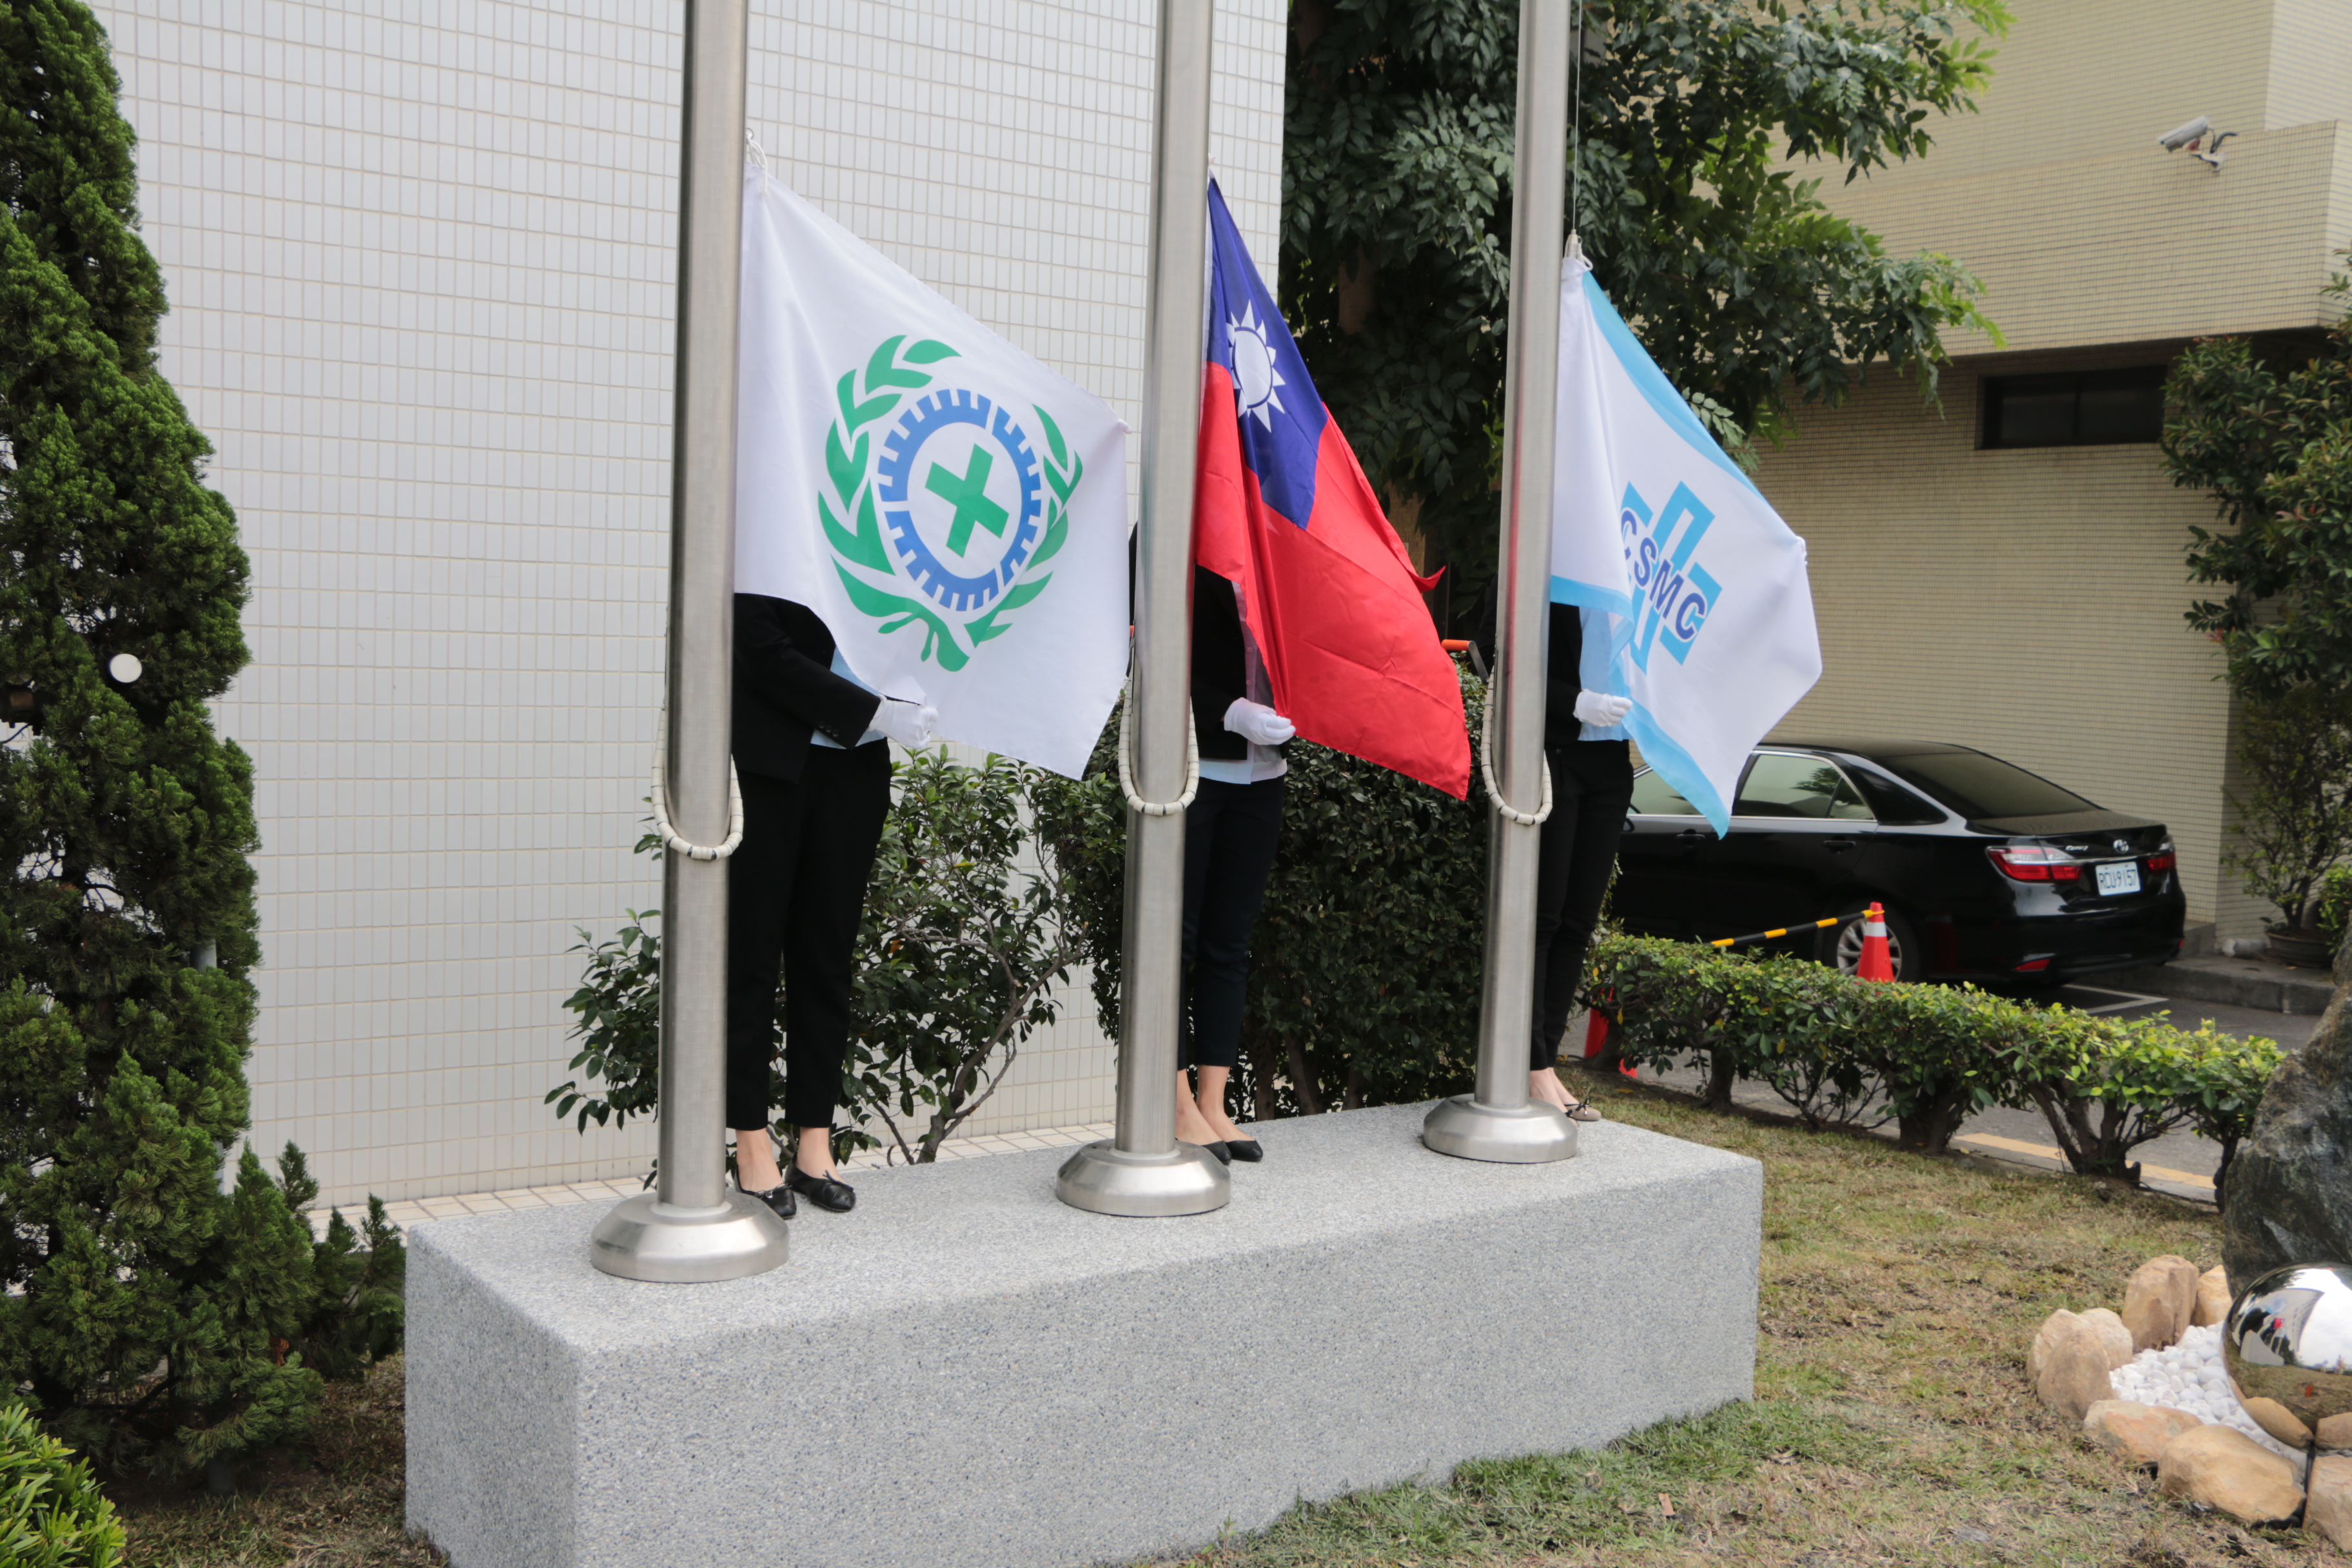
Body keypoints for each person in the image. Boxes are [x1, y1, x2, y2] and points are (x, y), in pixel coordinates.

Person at [726, 593, 934, 1217]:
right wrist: (869, 709)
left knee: (828, 959)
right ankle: (752, 1144)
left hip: (856, 767)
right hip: (768, 766)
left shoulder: (870, 537)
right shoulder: (764, 528)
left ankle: (814, 1143)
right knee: (752, 958)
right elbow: (763, 653)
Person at [1171, 567, 1290, 1164]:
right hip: (1191, 765)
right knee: (1176, 941)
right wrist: (1229, 712)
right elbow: (1153, 655)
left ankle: (1213, 1101)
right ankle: (1174, 1101)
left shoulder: (1280, 531)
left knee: (1230, 944)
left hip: (1264, 772)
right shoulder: (1181, 524)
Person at [1527, 602, 1633, 1121]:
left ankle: (1543, 1061)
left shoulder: (1640, 569)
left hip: (1612, 760)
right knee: (1543, 917)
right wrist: (1574, 701)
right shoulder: (1551, 553)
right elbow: (1495, 658)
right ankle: (1530, 1067)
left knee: (1577, 923)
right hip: (1555, 753)